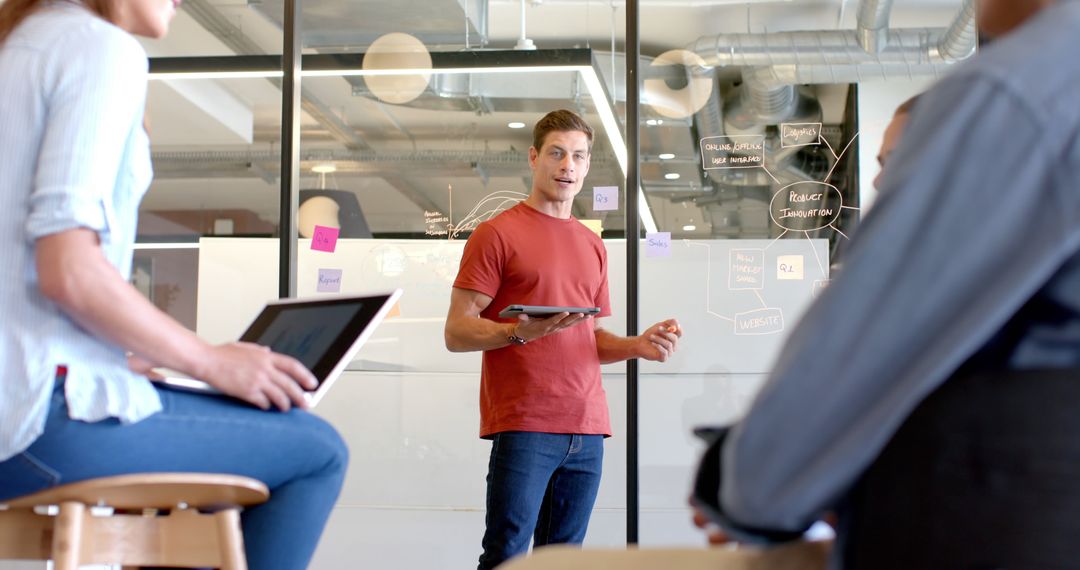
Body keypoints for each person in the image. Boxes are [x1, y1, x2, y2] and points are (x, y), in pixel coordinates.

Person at [690, 0, 1080, 568]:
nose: (882, 182)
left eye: (899, 163)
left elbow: (860, 354)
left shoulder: (1018, 90)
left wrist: (746, 478)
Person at [0, 1, 348, 568]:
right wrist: (211, 363)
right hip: (36, 418)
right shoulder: (97, 46)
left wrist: (116, 356)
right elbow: (69, 270)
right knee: (317, 450)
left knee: (214, 477)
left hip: (24, 395)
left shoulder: (19, 48)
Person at [444, 109, 683, 569]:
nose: (567, 165)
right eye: (556, 153)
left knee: (564, 560)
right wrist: (518, 332)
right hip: (526, 423)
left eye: (577, 155)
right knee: (507, 556)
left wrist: (637, 345)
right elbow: (456, 331)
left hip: (588, 427)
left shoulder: (592, 245)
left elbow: (588, 338)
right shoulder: (496, 234)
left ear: (587, 165)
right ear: (534, 158)